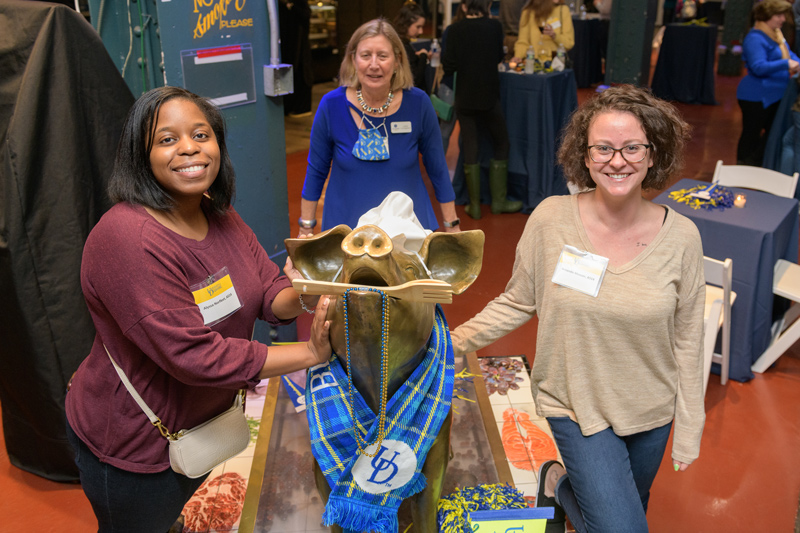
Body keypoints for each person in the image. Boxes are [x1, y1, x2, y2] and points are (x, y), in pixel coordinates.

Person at [65, 86, 332, 532]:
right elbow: (195, 356)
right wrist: (311, 354)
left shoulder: (213, 210)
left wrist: (314, 289)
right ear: (140, 155)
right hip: (136, 447)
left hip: (202, 425)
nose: (189, 147)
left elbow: (267, 289)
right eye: (167, 139)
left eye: (201, 135)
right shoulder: (127, 239)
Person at [451, 85, 704, 533]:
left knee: (625, 509)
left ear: (652, 154)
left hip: (651, 413)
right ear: (585, 157)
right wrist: (450, 343)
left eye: (632, 148)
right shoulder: (551, 218)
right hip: (576, 405)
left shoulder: (682, 236)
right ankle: (566, 480)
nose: (617, 160)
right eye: (603, 148)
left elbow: (688, 336)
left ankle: (556, 483)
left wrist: (689, 425)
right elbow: (518, 299)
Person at [299, 18, 459, 235]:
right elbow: (316, 169)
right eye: (366, 55)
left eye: (382, 56)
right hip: (346, 229)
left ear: (397, 61)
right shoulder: (331, 105)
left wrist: (452, 224)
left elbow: (438, 168)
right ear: (354, 59)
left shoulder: (418, 104)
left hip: (408, 230)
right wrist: (306, 227)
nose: (374, 64)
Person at [443, 0, 522, 219]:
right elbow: (499, 56)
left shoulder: (455, 30)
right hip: (489, 96)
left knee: (470, 145)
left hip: (464, 98)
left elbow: (448, 65)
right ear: (487, 6)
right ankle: (498, 202)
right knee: (502, 142)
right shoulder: (494, 27)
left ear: (465, 6)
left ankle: (475, 205)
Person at [737, 0, 800, 166]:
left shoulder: (777, 35)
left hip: (774, 94)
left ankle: (757, 166)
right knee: (751, 136)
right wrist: (786, 64)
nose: (783, 19)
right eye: (778, 15)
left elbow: (790, 56)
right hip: (756, 96)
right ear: (767, 16)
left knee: (770, 134)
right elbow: (758, 67)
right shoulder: (755, 38)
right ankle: (743, 169)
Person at [392, 0, 429, 91]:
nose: (421, 32)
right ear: (407, 24)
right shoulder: (403, 46)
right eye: (418, 27)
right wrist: (423, 56)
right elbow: (415, 78)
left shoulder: (399, 42)